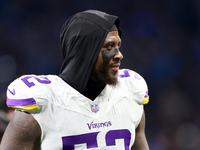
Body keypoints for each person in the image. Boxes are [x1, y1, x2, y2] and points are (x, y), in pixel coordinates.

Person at [0, 10, 150, 150]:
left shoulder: (129, 94)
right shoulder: (43, 102)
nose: (119, 55)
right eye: (109, 46)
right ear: (84, 51)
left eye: (118, 45)